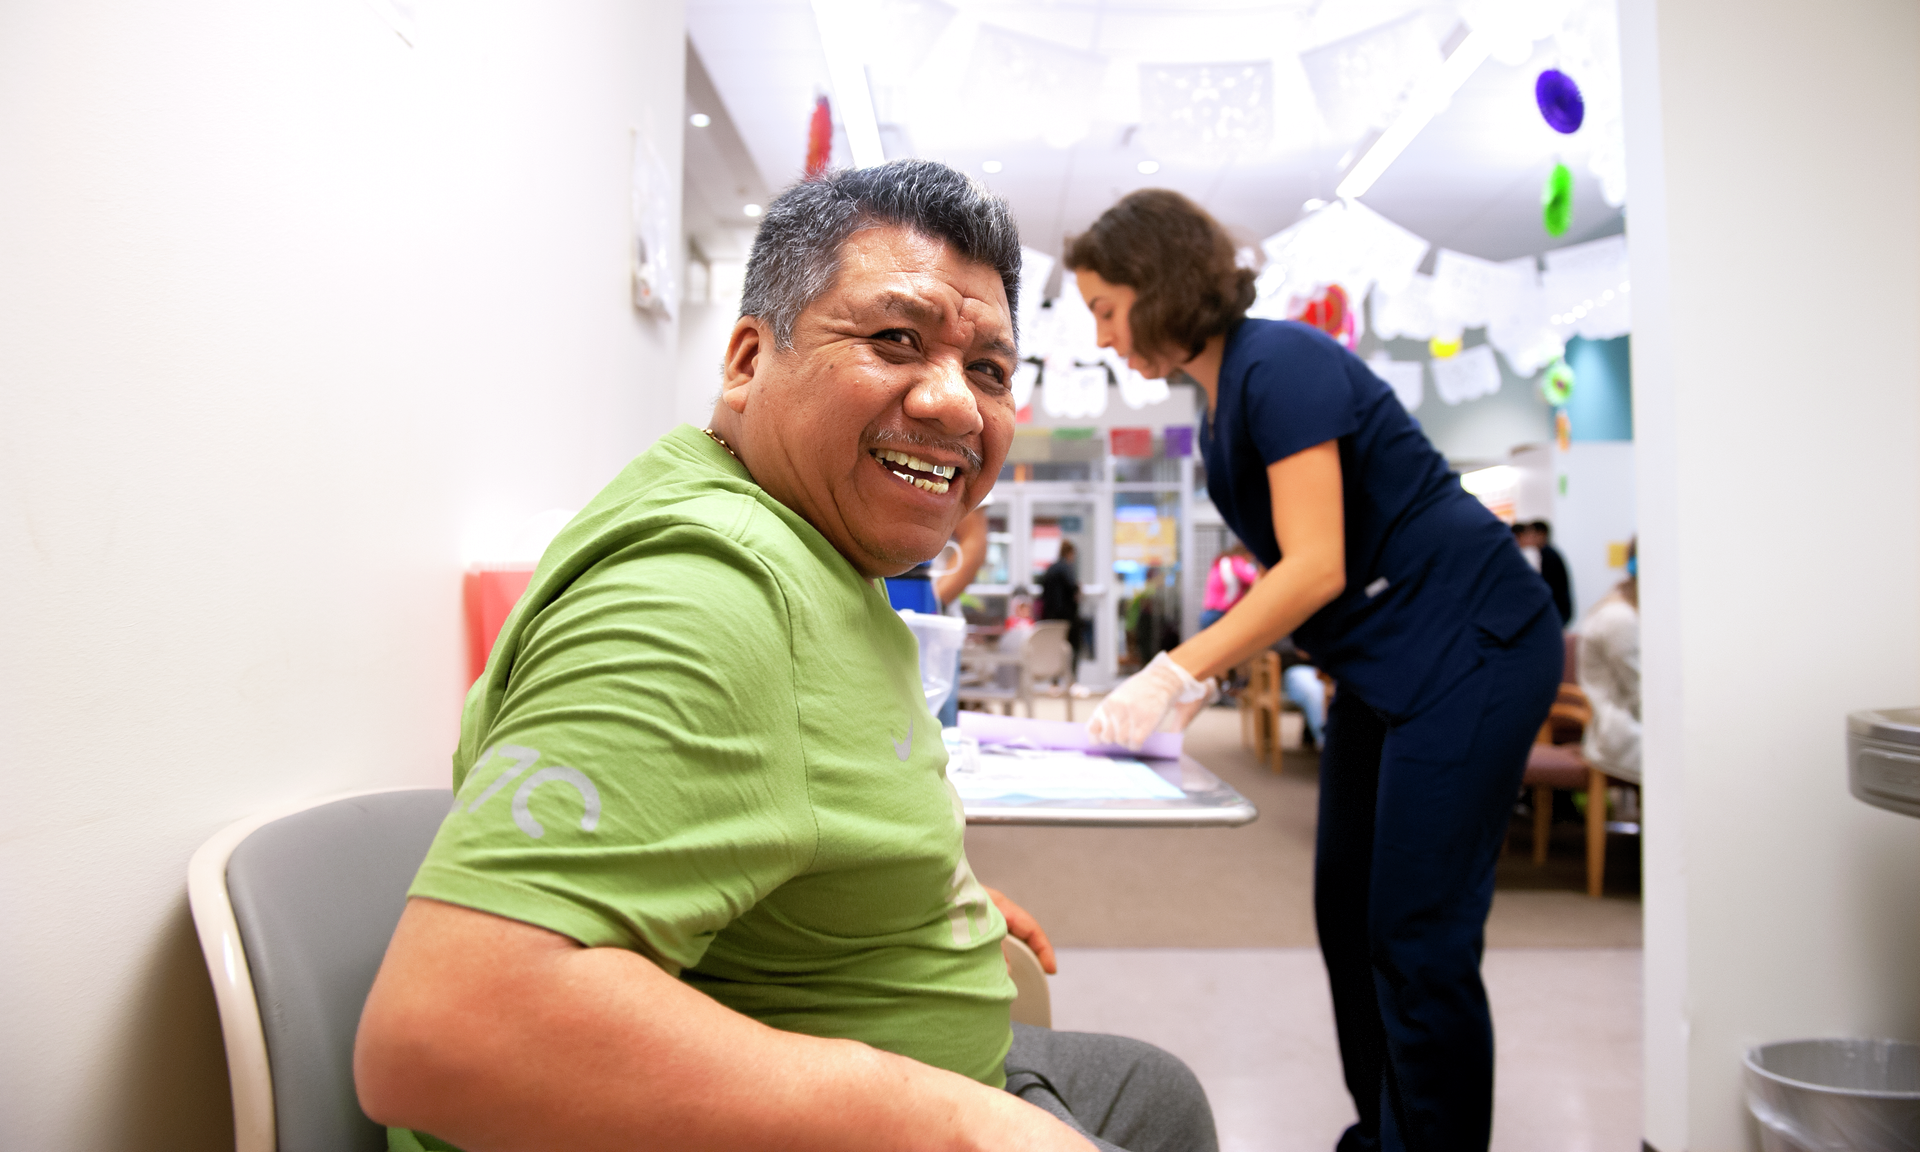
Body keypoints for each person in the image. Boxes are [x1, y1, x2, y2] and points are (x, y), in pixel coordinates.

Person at [354, 161, 1216, 1152]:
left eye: (988, 369)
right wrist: (949, 1124)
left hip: (895, 1052)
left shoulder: (819, 546)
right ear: (748, 360)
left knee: (1153, 1091)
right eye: (896, 339)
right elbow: (444, 1034)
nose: (956, 405)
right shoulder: (708, 589)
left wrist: (922, 895)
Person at [1068, 189, 1561, 1152]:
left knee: (1420, 937)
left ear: (1157, 288)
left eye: (1104, 307)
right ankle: (1383, 1132)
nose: (1099, 335)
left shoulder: (1281, 362)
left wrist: (1174, 667)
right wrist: (1216, 664)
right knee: (1349, 914)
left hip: (1475, 646)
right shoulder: (1225, 397)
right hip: (1391, 667)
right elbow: (1309, 570)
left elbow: (1319, 562)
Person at [1578, 540, 1640, 783]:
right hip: (1619, 731)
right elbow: (1640, 689)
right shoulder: (1620, 618)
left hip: (1623, 721)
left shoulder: (1623, 609)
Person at [1518, 520, 1573, 625]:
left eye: (1531, 534)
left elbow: (1548, 586)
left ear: (1541, 535)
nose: (1528, 538)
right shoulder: (1543, 554)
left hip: (1557, 610)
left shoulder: (1549, 556)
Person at [1039, 539, 1083, 662]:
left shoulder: (1051, 568)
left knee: (1054, 646)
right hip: (1066, 616)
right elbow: (1073, 587)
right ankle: (1070, 676)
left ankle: (1055, 676)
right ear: (1070, 553)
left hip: (1051, 615)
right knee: (1073, 647)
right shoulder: (1066, 568)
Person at [1198, 544, 1257, 631]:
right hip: (1220, 613)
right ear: (1246, 554)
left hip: (1208, 612)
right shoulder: (1236, 561)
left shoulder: (1223, 562)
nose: (1250, 561)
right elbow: (1252, 578)